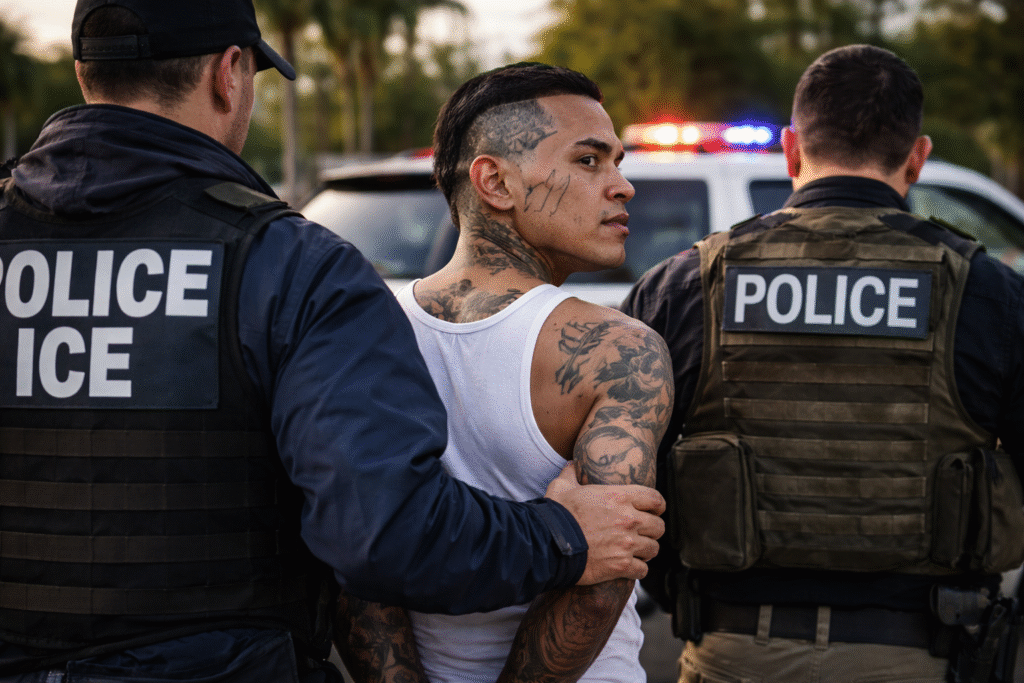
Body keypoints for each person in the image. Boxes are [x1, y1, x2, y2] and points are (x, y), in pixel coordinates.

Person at [0, 2, 668, 680]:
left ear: (82, 70)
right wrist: (563, 537)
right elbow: (375, 534)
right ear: (230, 74)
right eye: (590, 159)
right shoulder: (285, 263)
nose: (622, 184)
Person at [621, 44, 1024, 683]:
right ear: (917, 157)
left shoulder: (679, 286)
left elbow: (621, 482)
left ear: (790, 149)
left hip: (735, 652)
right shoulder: (989, 293)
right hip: (920, 656)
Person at [332, 63, 674, 683]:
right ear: (495, 181)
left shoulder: (362, 332)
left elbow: (351, 560)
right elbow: (604, 576)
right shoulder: (616, 349)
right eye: (590, 161)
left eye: (617, 161)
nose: (622, 186)